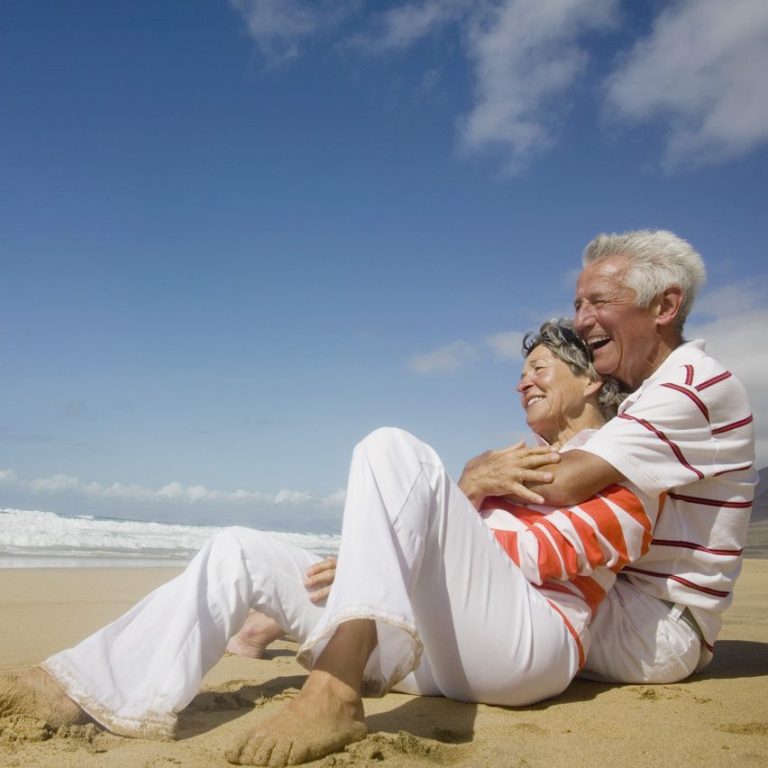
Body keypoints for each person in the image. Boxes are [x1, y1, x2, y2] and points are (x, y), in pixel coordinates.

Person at [0, 322, 655, 767]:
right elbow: (446, 548)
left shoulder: (620, 463)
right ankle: (86, 690)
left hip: (529, 649)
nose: (522, 383)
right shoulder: (508, 461)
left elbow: (563, 557)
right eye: (520, 372)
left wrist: (402, 554)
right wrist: (392, 557)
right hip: (438, 645)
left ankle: (336, 692)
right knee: (240, 549)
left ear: (591, 381)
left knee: (390, 447)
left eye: (538, 368)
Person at [459, 230, 756, 684]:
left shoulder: (690, 387)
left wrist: (476, 478)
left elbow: (564, 483)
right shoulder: (650, 395)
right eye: (578, 305)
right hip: (633, 604)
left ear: (664, 306)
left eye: (598, 302)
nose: (581, 321)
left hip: (656, 624)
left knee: (469, 590)